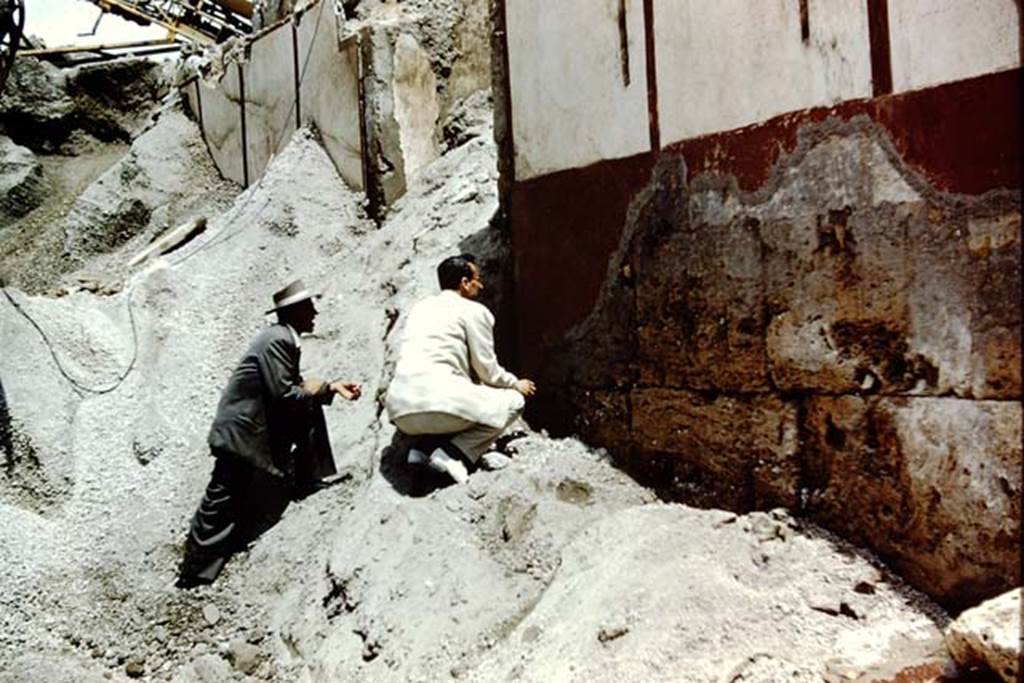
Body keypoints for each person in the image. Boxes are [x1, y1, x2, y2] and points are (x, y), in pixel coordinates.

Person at [176, 279, 361, 588]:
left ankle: (305, 480)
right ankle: (193, 573)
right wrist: (319, 388)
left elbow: (292, 388)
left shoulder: (282, 338)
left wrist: (328, 387)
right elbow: (285, 395)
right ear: (294, 313)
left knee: (309, 406)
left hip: (250, 429)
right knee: (221, 497)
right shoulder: (278, 340)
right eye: (308, 307)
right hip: (241, 433)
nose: (315, 312)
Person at [385, 254, 536, 484]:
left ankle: (423, 449)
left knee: (457, 396)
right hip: (440, 405)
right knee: (514, 402)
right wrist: (515, 383)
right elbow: (487, 370)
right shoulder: (474, 311)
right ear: (464, 282)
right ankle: (454, 455)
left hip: (400, 411)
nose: (481, 284)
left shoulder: (420, 308)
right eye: (477, 278)